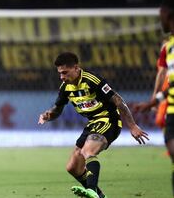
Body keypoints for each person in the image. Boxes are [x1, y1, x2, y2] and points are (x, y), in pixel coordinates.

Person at [38, 52, 149, 198]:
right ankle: (100, 196)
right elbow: (57, 109)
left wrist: (133, 126)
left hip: (109, 120)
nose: (62, 77)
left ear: (76, 68)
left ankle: (91, 191)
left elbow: (118, 101)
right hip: (92, 124)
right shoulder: (65, 87)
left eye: (65, 72)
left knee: (88, 151)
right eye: (60, 73)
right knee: (72, 167)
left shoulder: (92, 80)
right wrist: (49, 115)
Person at [133, 0, 174, 197]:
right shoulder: (169, 47)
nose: (160, 21)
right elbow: (173, 83)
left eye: (161, 15)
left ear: (169, 15)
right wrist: (154, 101)